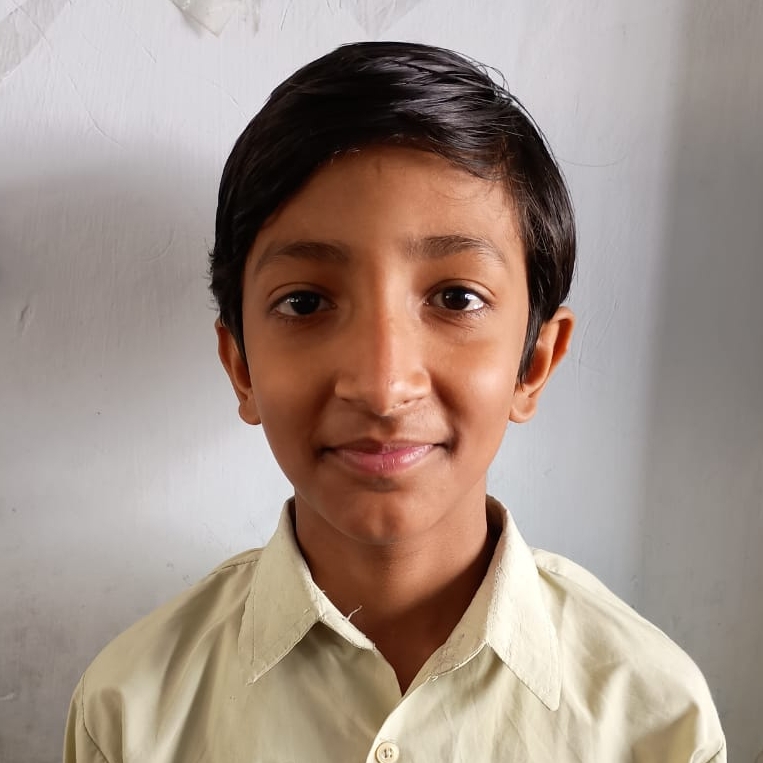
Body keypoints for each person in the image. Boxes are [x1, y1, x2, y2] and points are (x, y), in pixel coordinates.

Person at [63, 41, 726, 762]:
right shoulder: (128, 712)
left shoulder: (656, 721)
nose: (382, 387)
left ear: (533, 363)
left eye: (456, 298)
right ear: (241, 366)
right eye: (306, 301)